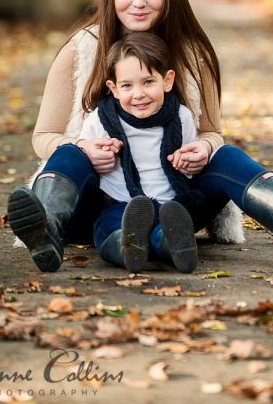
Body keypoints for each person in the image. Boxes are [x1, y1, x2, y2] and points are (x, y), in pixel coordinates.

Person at [8, 0, 273, 274]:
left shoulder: (193, 56)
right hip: (95, 202)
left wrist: (203, 147)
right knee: (69, 153)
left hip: (177, 202)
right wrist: (83, 147)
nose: (139, 1)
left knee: (227, 156)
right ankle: (47, 228)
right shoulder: (80, 50)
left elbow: (212, 132)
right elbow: (44, 136)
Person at [77, 31, 203, 273]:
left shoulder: (181, 117)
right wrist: (98, 152)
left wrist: (185, 162)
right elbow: (85, 158)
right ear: (113, 89)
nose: (138, 94)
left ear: (167, 81)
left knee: (162, 230)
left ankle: (174, 246)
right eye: (127, 85)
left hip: (168, 206)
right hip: (118, 203)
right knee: (109, 229)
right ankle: (130, 249)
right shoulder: (100, 121)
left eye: (148, 82)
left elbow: (189, 163)